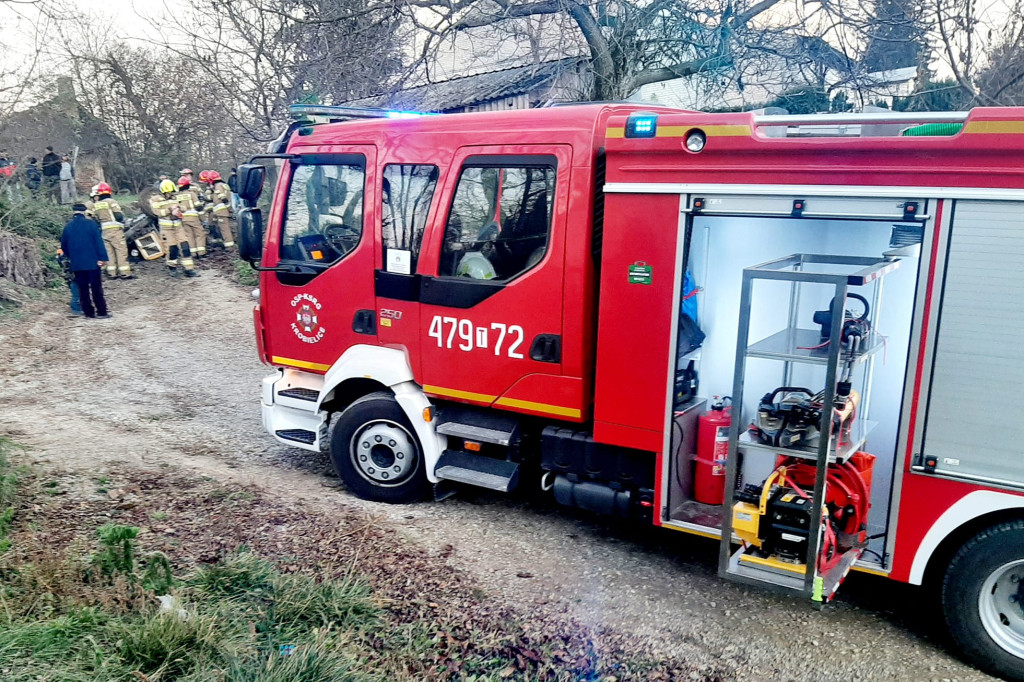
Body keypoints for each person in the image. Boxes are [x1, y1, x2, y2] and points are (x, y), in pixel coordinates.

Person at [60, 204, 110, 319]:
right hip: (93, 262)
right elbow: (99, 242)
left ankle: (88, 313)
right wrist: (102, 258)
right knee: (96, 287)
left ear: (73, 212)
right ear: (84, 212)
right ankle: (101, 312)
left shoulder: (68, 227)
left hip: (77, 263)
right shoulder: (91, 224)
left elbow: (64, 246)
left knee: (83, 289)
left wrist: (71, 257)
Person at [150, 179, 197, 277]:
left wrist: (179, 209)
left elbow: (184, 207)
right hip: (167, 229)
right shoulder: (155, 199)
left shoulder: (176, 197)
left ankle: (189, 269)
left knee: (185, 247)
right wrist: (170, 210)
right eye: (169, 193)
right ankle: (172, 268)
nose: (170, 194)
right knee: (172, 249)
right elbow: (157, 212)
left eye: (172, 192)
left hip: (178, 227)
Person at [86, 182, 134, 279]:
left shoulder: (96, 205)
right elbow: (119, 216)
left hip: (104, 232)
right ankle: (125, 273)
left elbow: (95, 219)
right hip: (115, 231)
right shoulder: (111, 202)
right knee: (120, 251)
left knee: (109, 253)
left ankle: (112, 273)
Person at [202, 170, 234, 249]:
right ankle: (225, 244)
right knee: (222, 228)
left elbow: (222, 198)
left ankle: (229, 247)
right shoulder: (223, 185)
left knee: (224, 229)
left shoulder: (218, 186)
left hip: (221, 211)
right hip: (223, 211)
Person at [175, 175, 206, 257]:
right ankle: (201, 253)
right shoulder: (191, 194)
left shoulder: (177, 196)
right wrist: (202, 204)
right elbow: (198, 206)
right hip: (193, 217)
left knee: (189, 235)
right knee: (200, 234)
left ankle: (193, 253)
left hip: (183, 219)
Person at [55, 247, 84, 316]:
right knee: (76, 294)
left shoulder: (62, 252)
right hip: (73, 276)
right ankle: (76, 310)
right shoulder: (68, 253)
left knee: (78, 293)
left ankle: (79, 308)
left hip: (70, 276)